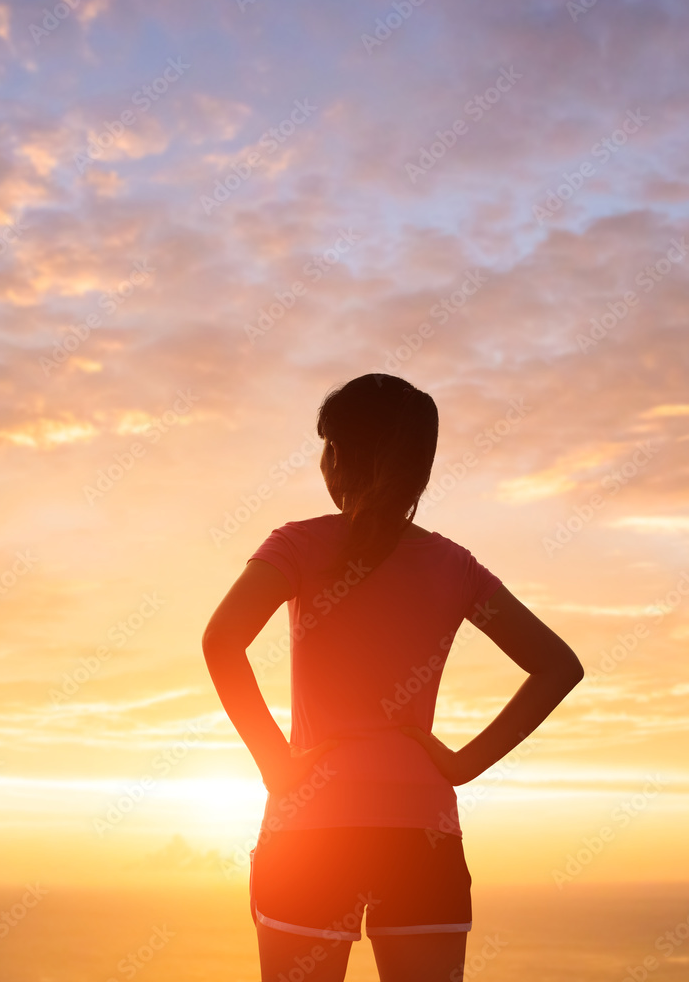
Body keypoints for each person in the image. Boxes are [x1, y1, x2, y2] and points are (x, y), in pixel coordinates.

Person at [201, 373, 584, 982]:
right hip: (420, 834)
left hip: (311, 827)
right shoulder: (453, 564)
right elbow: (558, 666)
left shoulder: (298, 545)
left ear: (339, 458)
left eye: (327, 445)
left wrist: (275, 761)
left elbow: (221, 641)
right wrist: (461, 764)